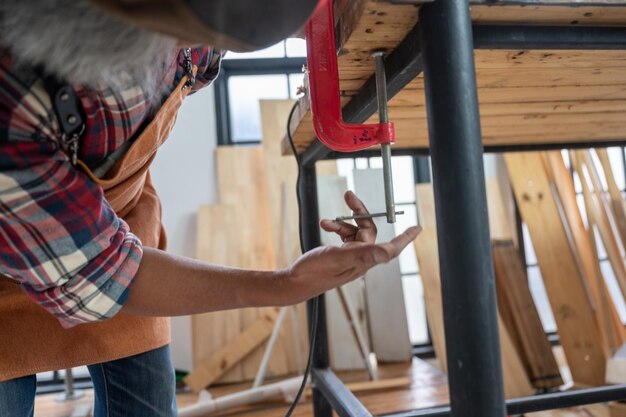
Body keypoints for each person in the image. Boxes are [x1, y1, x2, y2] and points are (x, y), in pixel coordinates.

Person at [0, 1, 421, 416]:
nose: (193, 50)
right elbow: (104, 275)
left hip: (121, 228)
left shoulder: (195, 20)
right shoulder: (13, 96)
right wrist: (284, 285)